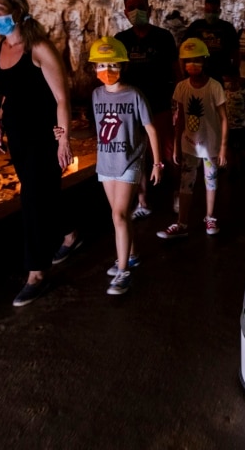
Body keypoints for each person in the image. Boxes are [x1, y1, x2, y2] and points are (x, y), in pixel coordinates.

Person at [0, 0, 80, 307]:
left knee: (32, 201)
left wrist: (64, 140)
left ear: (16, 9)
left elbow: (61, 97)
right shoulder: (0, 48)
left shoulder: (38, 47)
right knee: (42, 194)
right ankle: (68, 233)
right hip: (18, 137)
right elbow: (9, 92)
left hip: (43, 136)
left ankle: (36, 273)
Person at [87, 36, 164, 295]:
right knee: (120, 215)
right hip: (106, 161)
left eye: (112, 65)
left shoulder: (134, 94)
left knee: (118, 215)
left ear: (122, 66)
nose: (106, 71)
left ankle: (123, 272)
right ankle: (131, 255)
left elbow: (150, 129)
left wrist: (157, 163)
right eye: (100, 65)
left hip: (129, 161)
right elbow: (98, 131)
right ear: (94, 68)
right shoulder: (96, 95)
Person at [114, 0, 179, 220]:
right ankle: (142, 200)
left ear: (150, 10)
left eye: (140, 6)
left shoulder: (163, 37)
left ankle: (176, 193)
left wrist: (176, 100)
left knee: (168, 153)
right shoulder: (121, 40)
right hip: (131, 108)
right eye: (131, 7)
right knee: (136, 155)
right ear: (125, 12)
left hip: (159, 104)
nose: (136, 11)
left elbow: (175, 69)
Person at [157, 38, 228, 239]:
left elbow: (224, 118)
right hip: (189, 144)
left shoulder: (214, 87)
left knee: (211, 181)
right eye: (187, 61)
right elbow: (179, 119)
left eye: (196, 60)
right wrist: (177, 146)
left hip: (211, 145)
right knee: (185, 182)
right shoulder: (181, 87)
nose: (192, 65)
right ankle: (182, 222)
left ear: (205, 61)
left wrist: (223, 147)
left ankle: (210, 216)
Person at [184, 0, 239, 83]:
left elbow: (236, 52)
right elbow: (184, 49)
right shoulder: (195, 27)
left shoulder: (227, 28)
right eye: (208, 11)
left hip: (221, 74)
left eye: (214, 11)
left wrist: (234, 73)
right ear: (204, 10)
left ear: (219, 11)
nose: (211, 14)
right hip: (199, 74)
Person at [223, 73, 245, 184]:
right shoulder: (224, 94)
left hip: (242, 127)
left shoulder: (243, 93)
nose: (231, 84)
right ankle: (232, 171)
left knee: (243, 149)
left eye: (234, 82)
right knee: (231, 150)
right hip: (230, 128)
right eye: (229, 82)